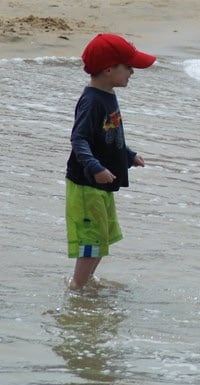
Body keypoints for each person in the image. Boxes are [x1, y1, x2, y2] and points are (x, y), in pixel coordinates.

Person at [65, 33, 156, 291]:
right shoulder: (91, 101)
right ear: (108, 69)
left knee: (102, 237)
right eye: (127, 67)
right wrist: (95, 168)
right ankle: (77, 288)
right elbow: (79, 139)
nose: (131, 73)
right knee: (91, 240)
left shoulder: (108, 96)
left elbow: (107, 135)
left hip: (102, 184)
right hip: (86, 185)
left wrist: (127, 155)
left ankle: (88, 283)